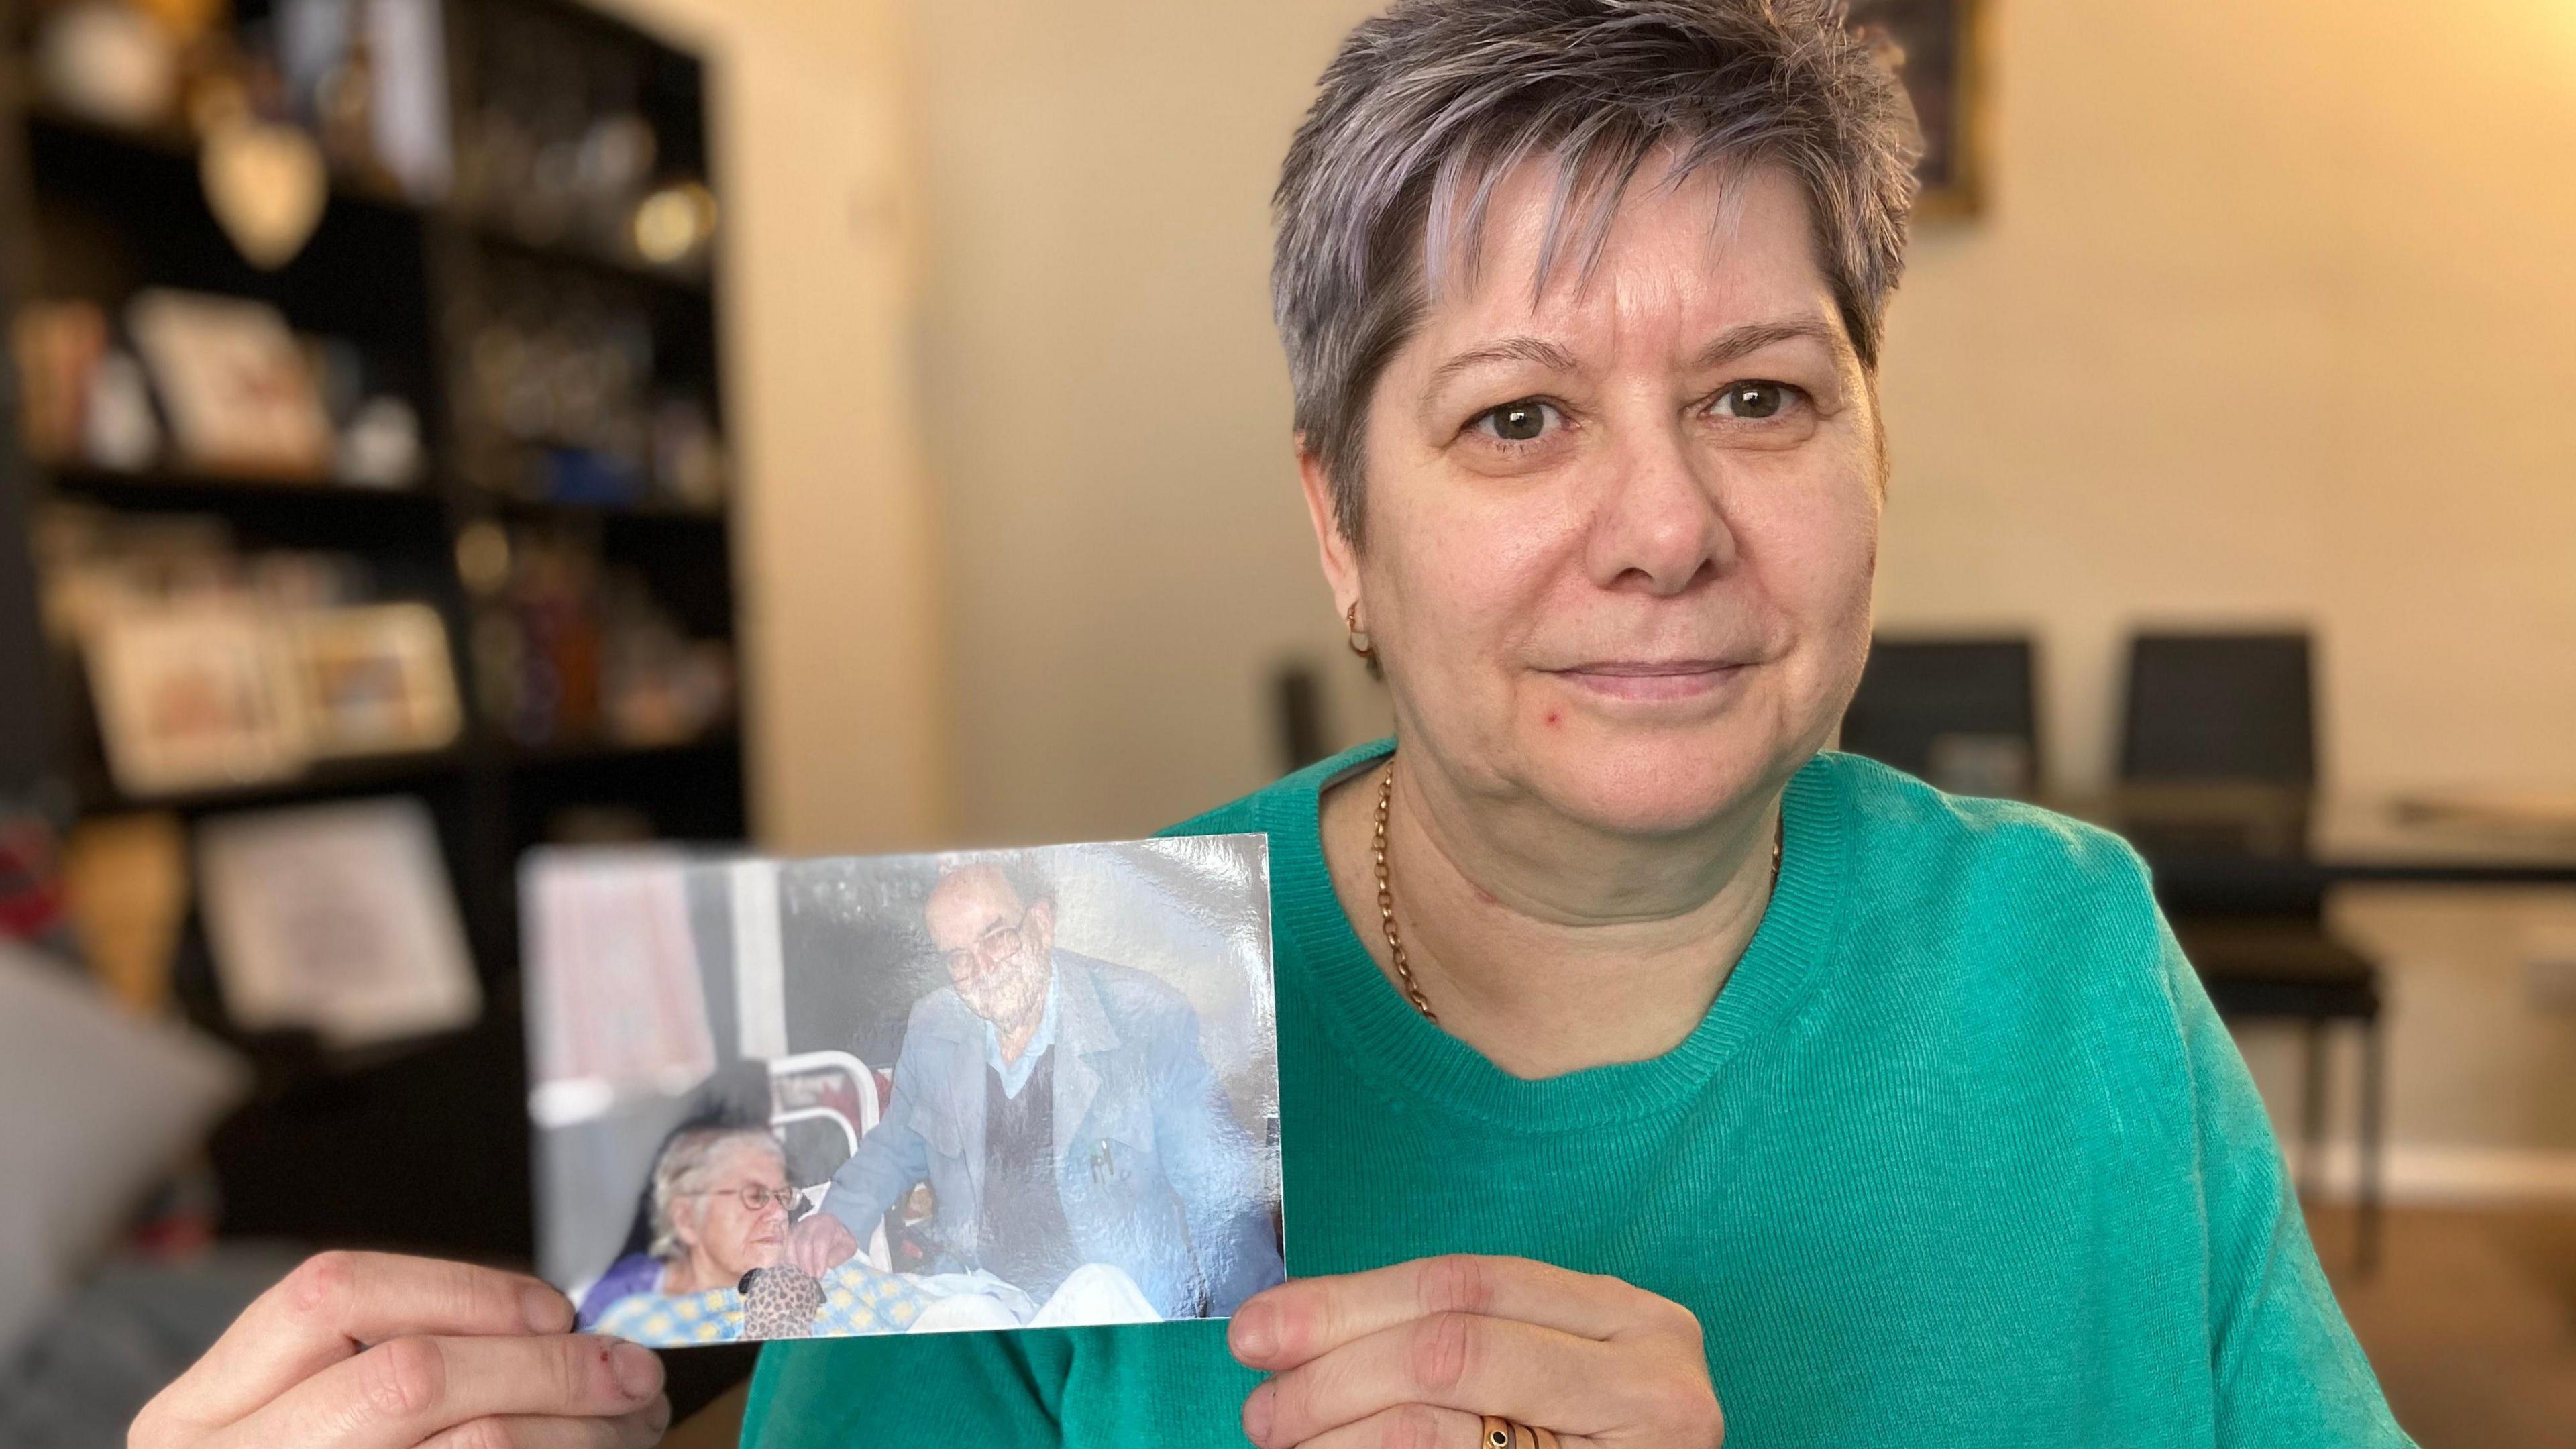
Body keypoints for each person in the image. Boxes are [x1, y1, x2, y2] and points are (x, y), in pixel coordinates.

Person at [137, 1, 2414, 1446]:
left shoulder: (2076, 952)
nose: (1668, 525)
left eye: (1760, 395)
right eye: (1518, 418)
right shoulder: (1021, 992)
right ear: (1341, 524)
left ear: (1873, 454)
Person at [783, 861, 1283, 1320]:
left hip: (1114, 1307)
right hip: (989, 1298)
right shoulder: (934, 1027)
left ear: (1041, 924)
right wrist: (838, 1218)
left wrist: (1251, 1326)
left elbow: (1220, 1189)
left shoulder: (1144, 1019)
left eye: (996, 938)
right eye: (958, 957)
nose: (981, 969)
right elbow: (895, 1148)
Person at [585, 1127, 939, 1346]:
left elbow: (950, 1316)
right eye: (754, 1197)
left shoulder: (827, 1272)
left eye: (783, 1196)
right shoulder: (640, 1323)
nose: (777, 1214)